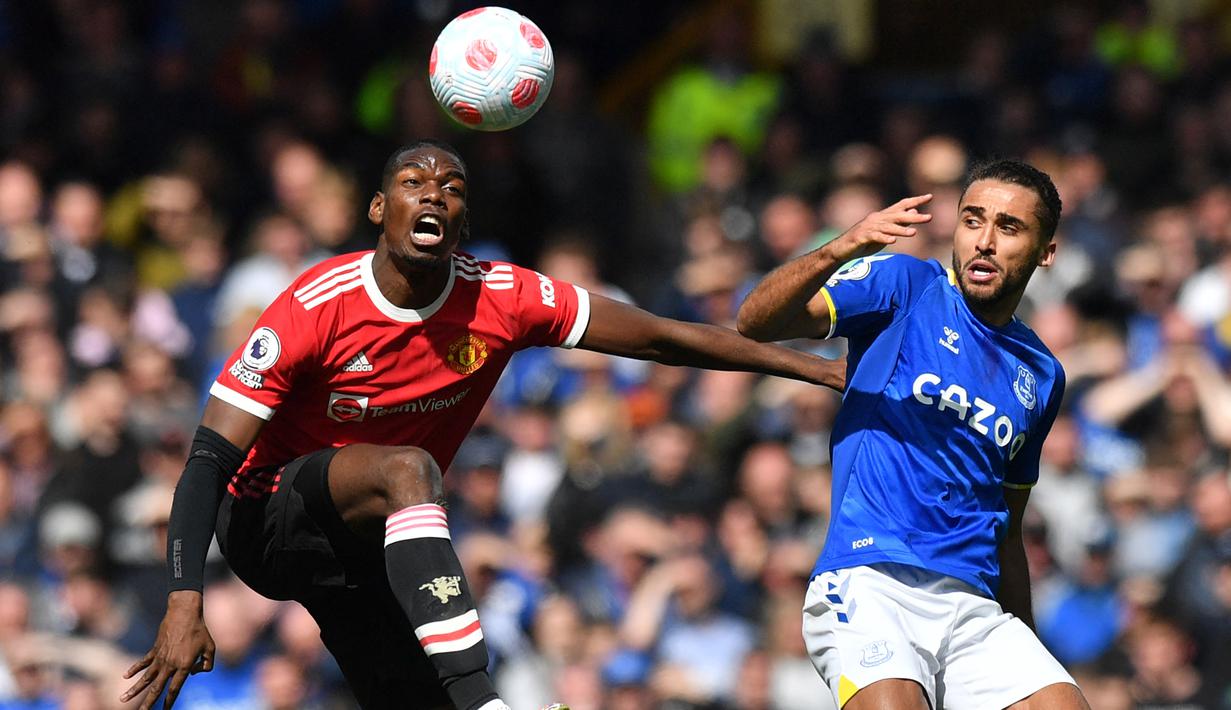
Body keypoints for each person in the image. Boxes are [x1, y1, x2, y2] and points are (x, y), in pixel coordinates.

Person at [120, 140, 845, 710]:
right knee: (408, 470)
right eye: (413, 181)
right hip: (267, 518)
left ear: (462, 222)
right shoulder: (316, 303)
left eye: (452, 187)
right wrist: (186, 598)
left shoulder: (503, 296)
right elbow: (209, 458)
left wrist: (807, 365)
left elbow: (658, 336)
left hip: (361, 548)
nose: (433, 191)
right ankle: (487, 703)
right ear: (378, 209)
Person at [737, 159, 1090, 709]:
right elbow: (755, 322)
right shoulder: (904, 285)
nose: (985, 242)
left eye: (1010, 227)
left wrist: (1025, 649)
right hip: (870, 582)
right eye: (972, 220)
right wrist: (840, 248)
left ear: (1047, 250)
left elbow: (1009, 532)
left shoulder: (1042, 373)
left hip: (973, 609)